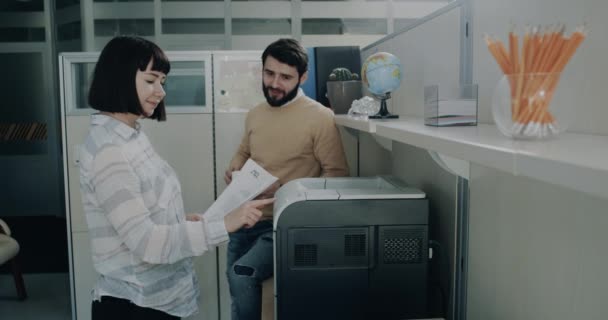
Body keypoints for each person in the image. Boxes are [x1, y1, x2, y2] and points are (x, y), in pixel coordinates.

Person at [79, 35, 273, 320]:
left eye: (162, 82)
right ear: (119, 76)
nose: (160, 91)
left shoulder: (131, 136)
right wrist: (224, 224)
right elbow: (146, 243)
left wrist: (179, 222)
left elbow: (143, 214)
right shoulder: (110, 150)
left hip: (157, 300)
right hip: (136, 305)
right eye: (150, 80)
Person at [224, 38, 350, 320]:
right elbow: (244, 151)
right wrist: (234, 168)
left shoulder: (320, 118)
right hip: (244, 218)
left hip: (284, 224)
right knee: (236, 287)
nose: (275, 83)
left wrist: (283, 189)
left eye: (285, 77)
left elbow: (338, 177)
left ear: (302, 77)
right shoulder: (256, 114)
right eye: (269, 73)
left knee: (241, 274)